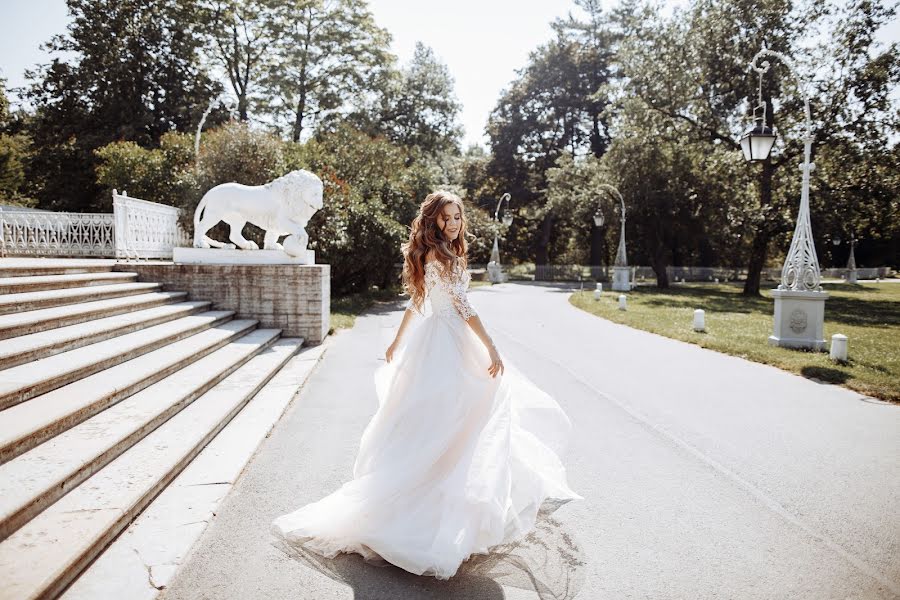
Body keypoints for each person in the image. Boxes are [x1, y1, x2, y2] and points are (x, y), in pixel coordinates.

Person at [271, 190, 581, 580]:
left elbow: (417, 303)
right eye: (446, 218)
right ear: (433, 220)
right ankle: (432, 515)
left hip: (439, 340)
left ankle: (450, 508)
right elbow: (462, 307)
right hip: (448, 345)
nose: (453, 223)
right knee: (453, 424)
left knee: (461, 423)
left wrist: (399, 340)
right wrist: (492, 346)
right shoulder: (441, 256)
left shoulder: (443, 253)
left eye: (457, 217)